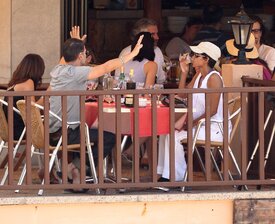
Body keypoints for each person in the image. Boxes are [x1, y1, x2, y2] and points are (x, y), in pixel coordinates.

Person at [48, 27, 144, 190]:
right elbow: (106, 67)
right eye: (84, 53)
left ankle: (76, 171)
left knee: (93, 130)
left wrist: (77, 44)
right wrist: (132, 54)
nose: (86, 55)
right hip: (66, 134)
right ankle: (79, 170)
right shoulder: (76, 72)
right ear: (80, 56)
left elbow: (67, 57)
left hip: (53, 131)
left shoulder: (58, 69)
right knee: (109, 137)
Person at [157, 41, 231, 182]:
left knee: (175, 135)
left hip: (214, 128)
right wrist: (184, 72)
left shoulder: (214, 78)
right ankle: (164, 173)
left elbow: (213, 110)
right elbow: (182, 94)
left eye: (196, 55)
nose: (192, 58)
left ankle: (176, 178)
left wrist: (192, 123)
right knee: (165, 131)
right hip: (201, 125)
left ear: (206, 59)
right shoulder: (199, 75)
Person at [3, 53, 45, 140]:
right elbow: (33, 110)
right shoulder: (28, 82)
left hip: (9, 128)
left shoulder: (13, 84)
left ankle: (25, 154)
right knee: (51, 129)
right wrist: (45, 98)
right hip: (20, 130)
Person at [115, 18, 166, 84]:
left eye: (157, 33)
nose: (157, 37)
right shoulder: (125, 53)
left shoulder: (157, 51)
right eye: (152, 34)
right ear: (140, 36)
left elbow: (160, 80)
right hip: (130, 92)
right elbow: (118, 80)